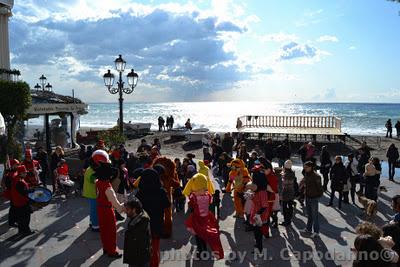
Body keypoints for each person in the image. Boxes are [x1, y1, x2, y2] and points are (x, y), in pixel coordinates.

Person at [183, 173, 224, 259]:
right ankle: (204, 250)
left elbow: (190, 204)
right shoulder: (208, 195)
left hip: (197, 218)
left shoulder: (193, 197)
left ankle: (200, 251)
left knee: (198, 235)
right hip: (206, 217)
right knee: (204, 234)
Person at [94, 150, 125, 258]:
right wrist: (124, 207)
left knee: (103, 230)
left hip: (99, 208)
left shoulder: (97, 182)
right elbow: (117, 205)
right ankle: (112, 251)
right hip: (107, 209)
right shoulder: (108, 188)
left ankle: (105, 248)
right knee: (111, 231)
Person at [136, 169, 170, 267]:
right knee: (155, 248)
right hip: (156, 224)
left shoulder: (140, 193)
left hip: (143, 226)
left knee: (144, 248)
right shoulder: (161, 192)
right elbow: (167, 204)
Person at [123, 197, 151, 267]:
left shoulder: (141, 222)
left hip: (138, 259)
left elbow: (134, 238)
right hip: (135, 257)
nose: (125, 211)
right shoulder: (136, 218)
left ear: (134, 209)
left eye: (127, 209)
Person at [300, 161, 323, 238]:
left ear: (311, 167)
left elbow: (320, 188)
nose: (304, 168)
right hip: (307, 196)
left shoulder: (317, 176)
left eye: (306, 167)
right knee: (309, 214)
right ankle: (308, 229)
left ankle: (316, 231)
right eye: (304, 167)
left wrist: (317, 196)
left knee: (315, 215)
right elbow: (304, 182)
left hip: (314, 198)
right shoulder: (307, 174)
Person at [10, 165, 34, 235]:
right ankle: (26, 231)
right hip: (21, 202)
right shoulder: (19, 181)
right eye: (24, 173)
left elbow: (22, 187)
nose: (26, 174)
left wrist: (29, 185)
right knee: (25, 218)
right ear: (20, 173)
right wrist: (31, 190)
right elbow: (23, 192)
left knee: (20, 218)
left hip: (17, 202)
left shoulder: (17, 178)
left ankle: (21, 231)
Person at [250, 169, 270, 253]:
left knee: (258, 233)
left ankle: (259, 248)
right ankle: (257, 245)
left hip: (260, 215)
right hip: (255, 212)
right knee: (256, 231)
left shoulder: (262, 192)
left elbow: (264, 206)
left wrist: (257, 214)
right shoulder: (257, 190)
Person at [83, 158, 99, 231]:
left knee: (92, 209)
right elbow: (94, 181)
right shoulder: (91, 171)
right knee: (95, 210)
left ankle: (91, 222)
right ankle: (95, 226)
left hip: (90, 192)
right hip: (92, 193)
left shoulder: (89, 169)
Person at [280, 160, 297, 226]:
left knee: (284, 208)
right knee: (290, 207)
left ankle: (286, 221)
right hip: (291, 192)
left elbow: (284, 185)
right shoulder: (292, 173)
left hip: (285, 192)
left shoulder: (285, 174)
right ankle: (289, 220)